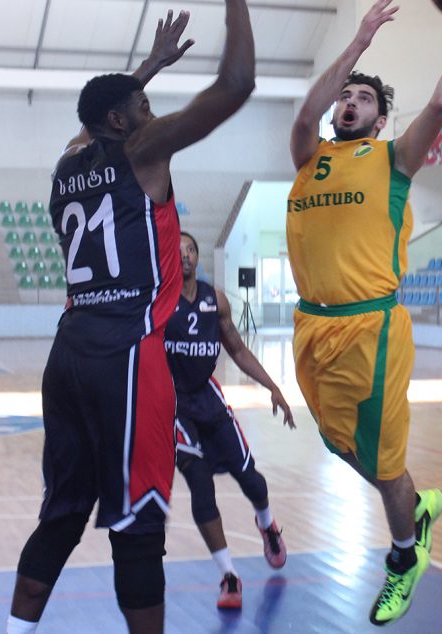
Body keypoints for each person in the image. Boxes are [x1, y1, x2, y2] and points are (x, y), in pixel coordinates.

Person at [6, 0, 255, 634]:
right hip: (128, 351)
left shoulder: (66, 167)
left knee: (62, 512)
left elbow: (93, 119)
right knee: (140, 524)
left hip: (68, 351)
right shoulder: (142, 151)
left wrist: (146, 68)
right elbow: (235, 85)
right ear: (122, 124)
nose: (152, 112)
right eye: (144, 106)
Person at [286, 0, 442, 627]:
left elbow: (441, 102)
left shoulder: (394, 160)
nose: (349, 103)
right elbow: (302, 115)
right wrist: (358, 42)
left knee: (382, 463)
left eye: (363, 99)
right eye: (345, 97)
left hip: (370, 328)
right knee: (343, 446)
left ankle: (405, 557)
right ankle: (418, 504)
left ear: (379, 120)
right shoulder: (309, 156)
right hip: (311, 327)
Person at [164, 231, 295, 609]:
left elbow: (236, 349)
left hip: (209, 398)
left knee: (250, 478)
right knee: (201, 487)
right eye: (178, 250)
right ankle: (229, 575)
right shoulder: (159, 302)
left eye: (191, 249)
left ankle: (267, 524)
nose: (185, 255)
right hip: (176, 406)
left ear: (198, 256)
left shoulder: (215, 300)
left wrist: (273, 386)